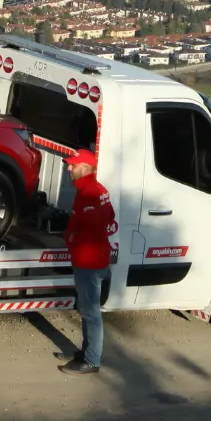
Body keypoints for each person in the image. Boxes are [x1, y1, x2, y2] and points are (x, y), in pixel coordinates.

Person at [58, 148, 117, 376]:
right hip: (93, 259)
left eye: (73, 165)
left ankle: (92, 360)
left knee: (91, 313)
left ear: (85, 167)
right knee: (87, 310)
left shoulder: (90, 193)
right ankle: (86, 352)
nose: (69, 168)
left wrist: (74, 237)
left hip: (89, 262)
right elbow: (110, 218)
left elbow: (94, 229)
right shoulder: (97, 190)